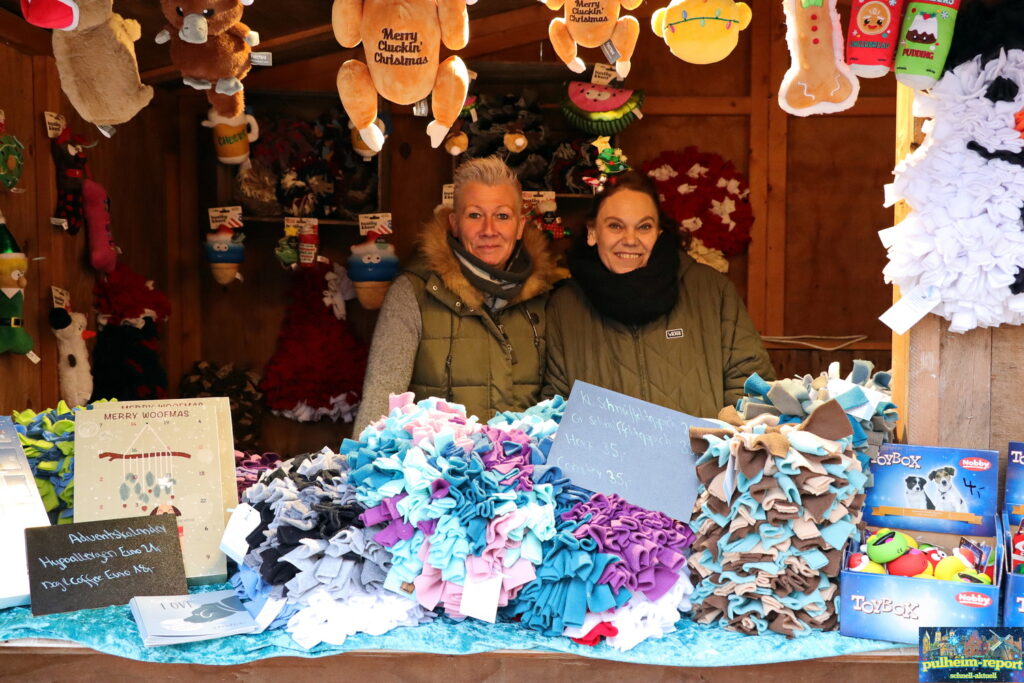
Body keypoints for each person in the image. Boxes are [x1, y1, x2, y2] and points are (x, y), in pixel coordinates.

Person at [543, 171, 774, 417]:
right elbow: (555, 407)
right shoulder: (564, 307)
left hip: (705, 455)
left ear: (659, 232)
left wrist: (720, 447)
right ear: (593, 232)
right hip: (599, 456)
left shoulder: (712, 291)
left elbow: (752, 387)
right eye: (615, 226)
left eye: (644, 227)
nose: (630, 239)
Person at [354, 156, 561, 430]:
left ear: (520, 225)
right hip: (436, 471)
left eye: (502, 215)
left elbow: (561, 408)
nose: (489, 230)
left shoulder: (548, 296)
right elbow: (378, 408)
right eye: (474, 215)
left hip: (525, 471)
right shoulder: (414, 292)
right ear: (454, 223)